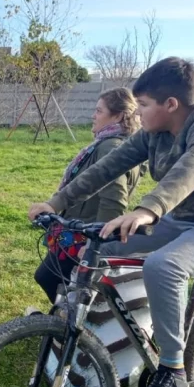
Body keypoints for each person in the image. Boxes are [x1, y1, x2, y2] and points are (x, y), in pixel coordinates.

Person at [29, 57, 194, 387]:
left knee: (164, 266)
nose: (137, 113)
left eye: (143, 105)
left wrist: (149, 208)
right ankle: (83, 332)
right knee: (97, 245)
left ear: (171, 104)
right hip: (186, 216)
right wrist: (57, 201)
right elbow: (107, 167)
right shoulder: (155, 134)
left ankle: (174, 370)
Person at [34, 88, 143, 303]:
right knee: (62, 282)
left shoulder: (112, 146)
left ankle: (67, 325)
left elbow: (115, 199)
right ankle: (63, 322)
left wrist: (99, 244)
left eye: (99, 110)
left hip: (86, 233)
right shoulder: (109, 143)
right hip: (77, 227)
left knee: (51, 278)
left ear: (118, 115)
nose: (94, 115)